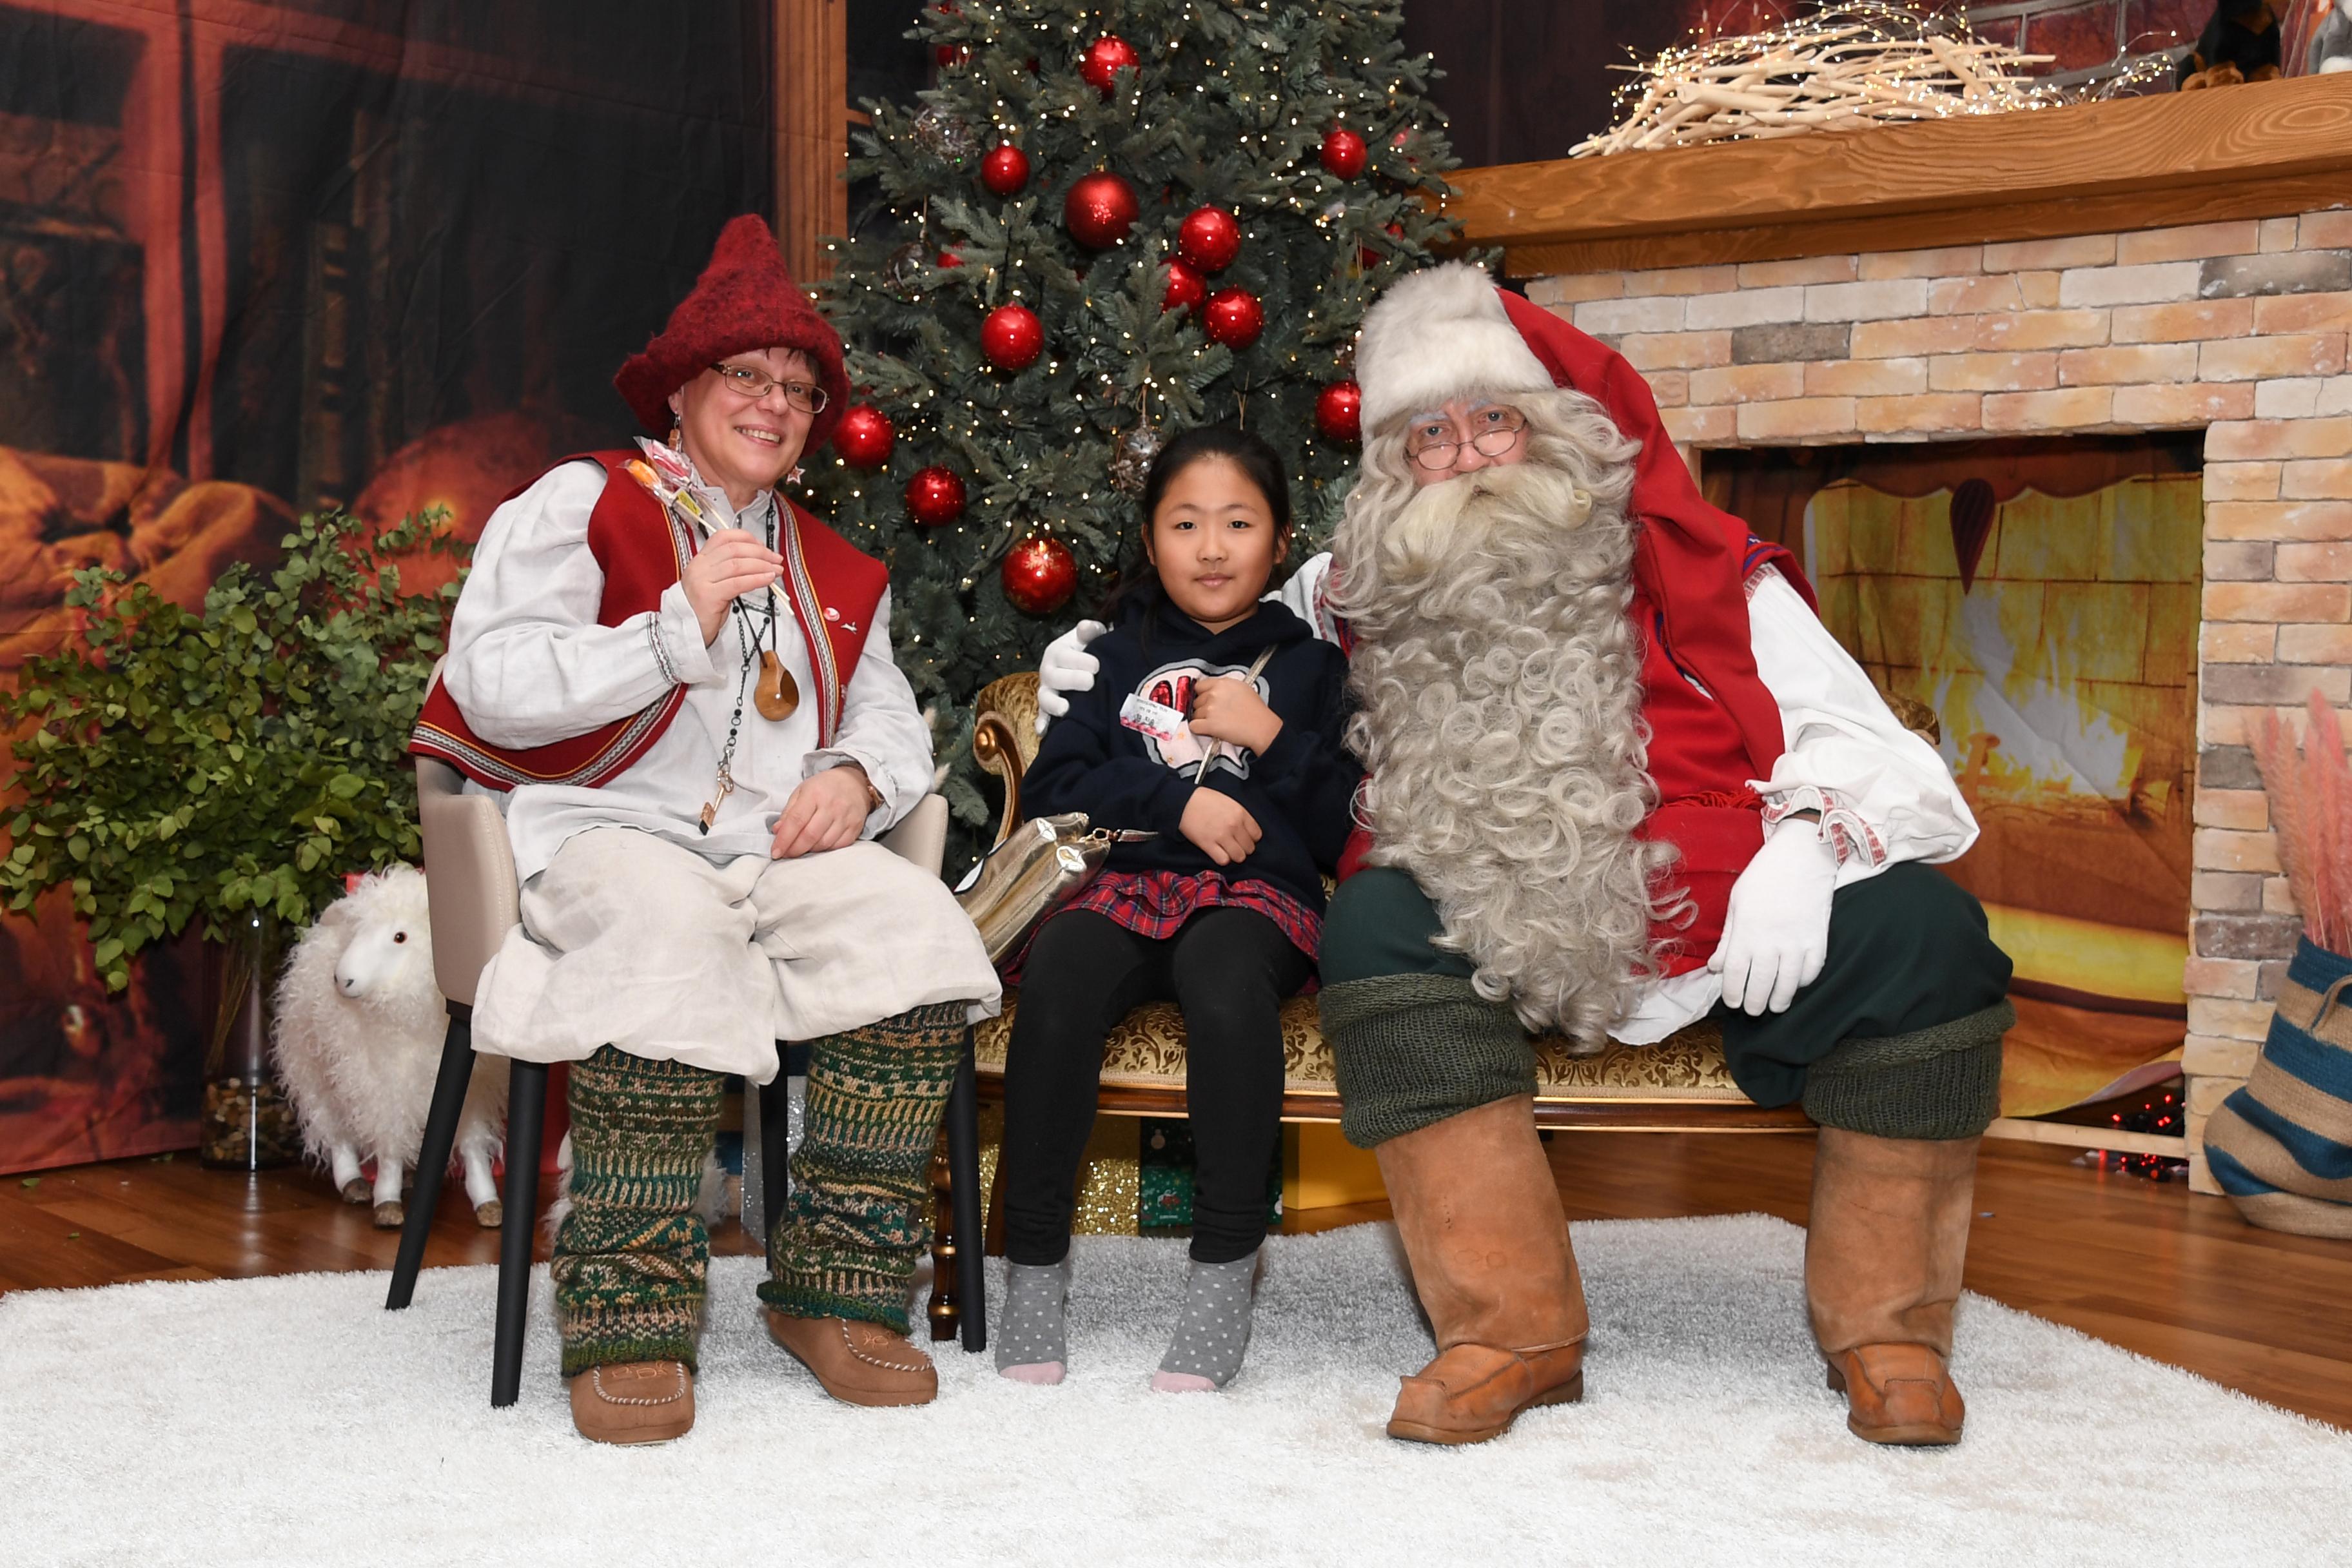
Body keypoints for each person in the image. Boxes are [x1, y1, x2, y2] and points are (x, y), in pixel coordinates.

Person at [1034, 262, 2011, 1449]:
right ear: (1394, 473)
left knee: (1929, 937)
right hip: (1481, 916)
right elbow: (1202, 609)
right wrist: (1086, 668)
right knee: (1379, 924)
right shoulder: (1352, 592)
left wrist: (1806, 851)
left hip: (1714, 908)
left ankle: (1889, 1330)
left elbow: (1887, 758)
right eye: (1430, 437)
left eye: (1495, 419)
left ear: (1559, 435)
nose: (1468, 455)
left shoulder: (1705, 574)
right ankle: (1510, 1329)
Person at [411, 216, 1000, 1444]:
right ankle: (628, 1311)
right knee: (665, 932)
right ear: (681, 390)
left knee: (914, 930)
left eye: (797, 388)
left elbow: (894, 723)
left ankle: (837, 1292)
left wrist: (854, 779)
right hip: (602, 833)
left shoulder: (834, 567)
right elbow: (493, 677)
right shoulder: (582, 501)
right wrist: (670, 632)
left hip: (773, 853)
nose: (776, 404)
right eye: (747, 377)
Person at [993, 427, 1361, 1393]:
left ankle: (1223, 1278)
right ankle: (1032, 1272)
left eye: (1238, 523)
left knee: (1225, 984)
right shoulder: (1108, 660)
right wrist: (1176, 802)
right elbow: (1054, 794)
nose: (1211, 547)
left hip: (1253, 899)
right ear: (1151, 541)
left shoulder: (1314, 671)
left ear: (1279, 543)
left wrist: (1272, 737)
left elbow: (1340, 828)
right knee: (1063, 983)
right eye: (1185, 523)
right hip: (1118, 884)